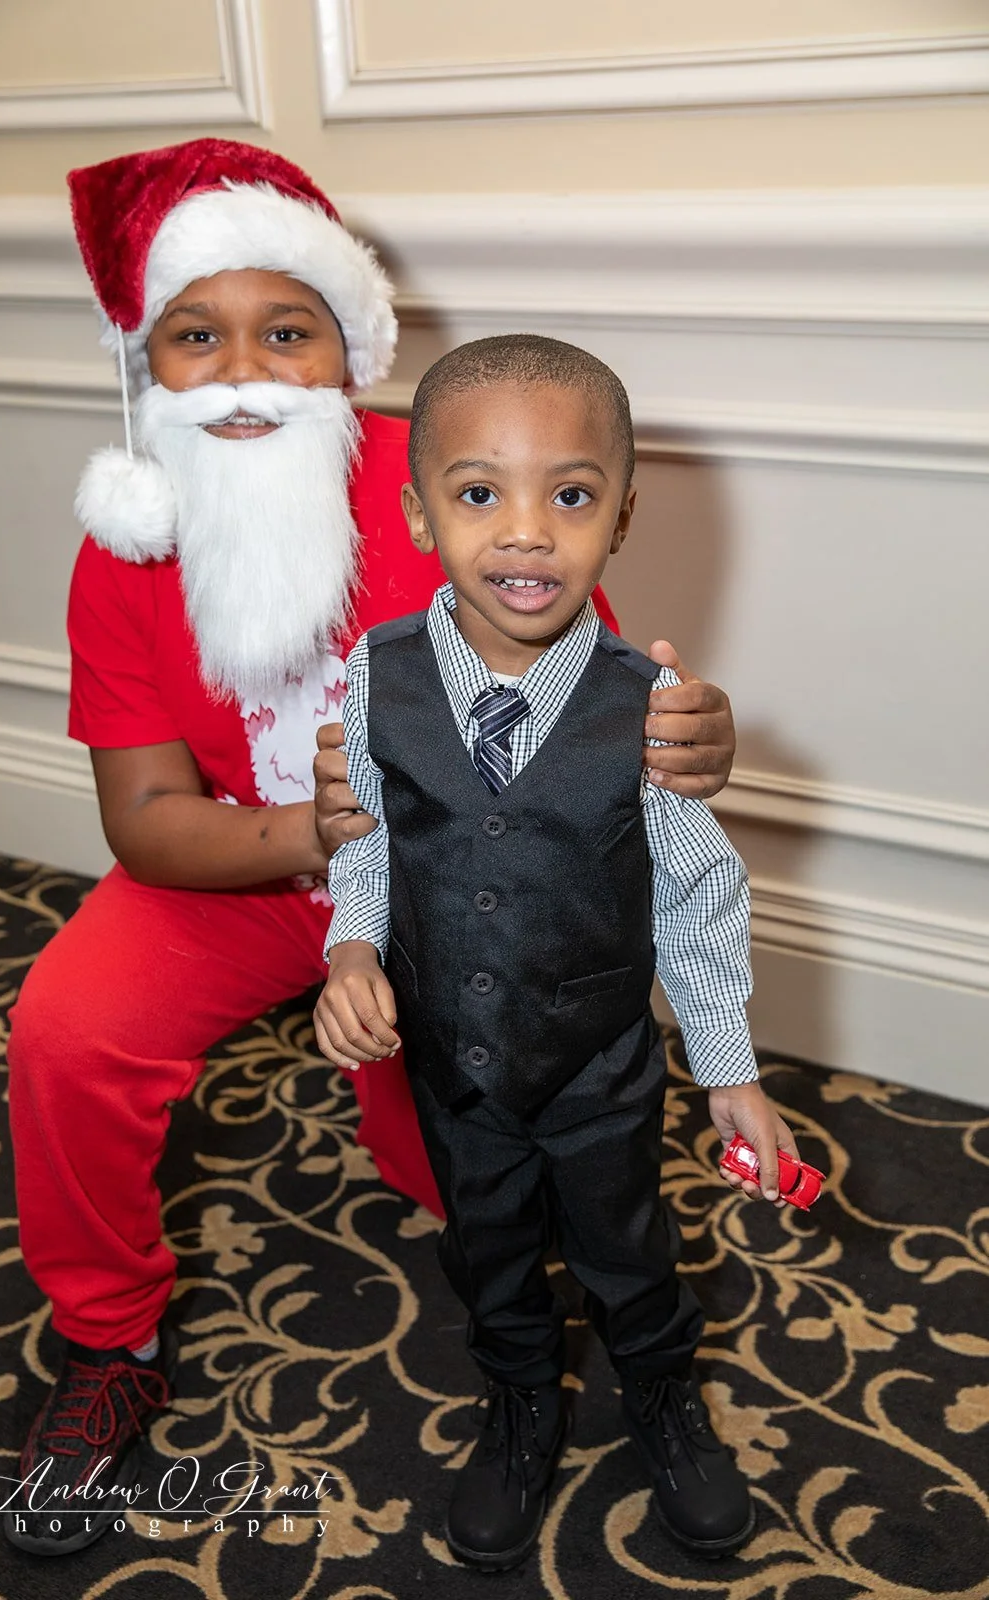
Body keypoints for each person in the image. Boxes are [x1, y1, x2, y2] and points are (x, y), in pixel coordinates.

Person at [4, 140, 738, 1557]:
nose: (242, 375)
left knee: (468, 1175)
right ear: (146, 363)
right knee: (65, 1030)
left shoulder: (457, 482)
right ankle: (107, 1340)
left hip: (458, 893)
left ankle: (590, 1327)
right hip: (233, 873)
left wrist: (684, 741)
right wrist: (333, 829)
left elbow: (594, 716)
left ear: (347, 349)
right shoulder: (122, 547)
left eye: (287, 332)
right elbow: (142, 822)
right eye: (195, 337)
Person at [316, 333, 798, 1571]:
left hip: (598, 1068)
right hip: (452, 1066)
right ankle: (519, 1401)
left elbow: (696, 891)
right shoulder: (375, 676)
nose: (525, 532)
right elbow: (365, 839)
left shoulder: (647, 707)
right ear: (417, 515)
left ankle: (660, 1396)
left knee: (625, 1248)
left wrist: (728, 1069)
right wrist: (352, 948)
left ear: (620, 516)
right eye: (479, 492)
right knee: (484, 1254)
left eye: (569, 495)